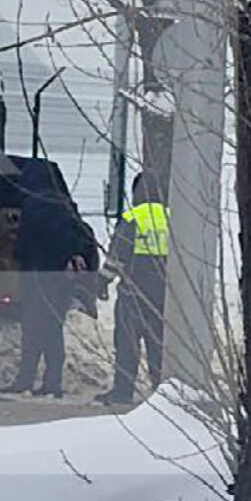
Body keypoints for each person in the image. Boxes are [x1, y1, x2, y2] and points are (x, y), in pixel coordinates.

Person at [2, 161, 98, 399]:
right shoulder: (66, 205)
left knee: (33, 330)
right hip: (61, 280)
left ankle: (26, 379)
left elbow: (25, 246)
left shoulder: (34, 205)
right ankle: (52, 381)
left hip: (38, 277)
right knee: (53, 328)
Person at [97, 170, 169, 405]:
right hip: (163, 295)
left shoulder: (132, 218)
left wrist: (103, 281)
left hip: (133, 291)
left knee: (127, 343)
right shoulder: (172, 218)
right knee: (157, 344)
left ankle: (123, 391)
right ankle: (161, 393)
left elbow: (118, 256)